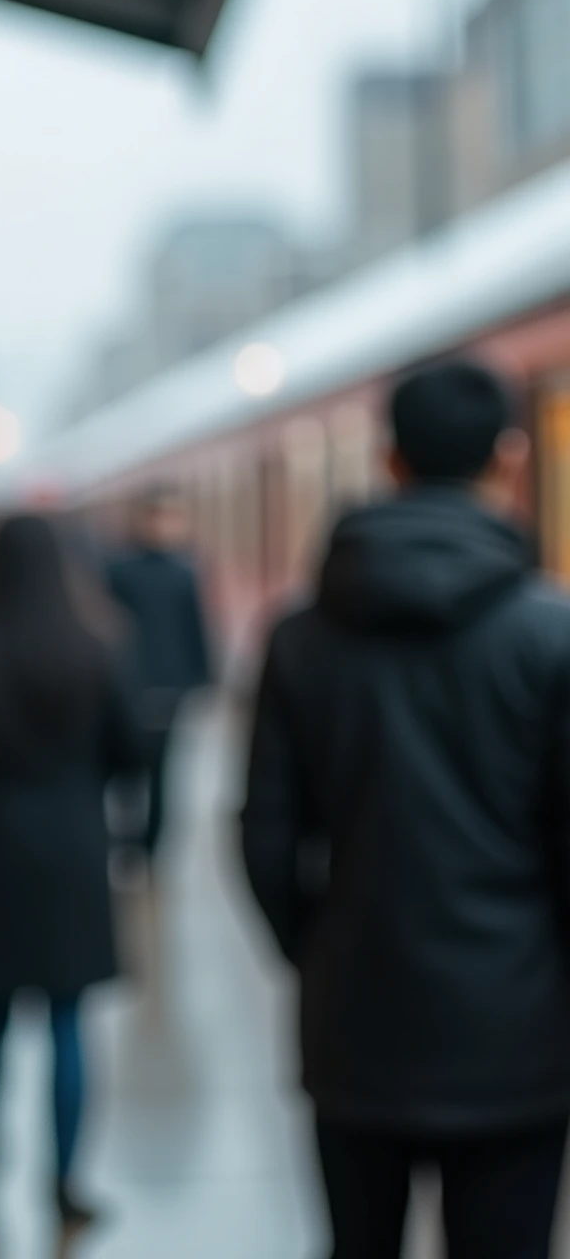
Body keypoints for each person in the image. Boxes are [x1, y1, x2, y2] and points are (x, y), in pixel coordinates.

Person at [242, 360, 570, 1259]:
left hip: (356, 1021)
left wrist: (320, 947)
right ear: (509, 460)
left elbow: (265, 835)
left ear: (387, 461)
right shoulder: (552, 635)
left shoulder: (302, 637)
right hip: (521, 1033)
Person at [0, 515, 146, 1231]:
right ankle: (67, 1182)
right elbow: (133, 751)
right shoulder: (100, 643)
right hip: (75, 847)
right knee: (69, 1019)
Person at [104, 485, 212, 861]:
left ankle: (150, 845)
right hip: (130, 686)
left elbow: (196, 628)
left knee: (162, 773)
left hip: (170, 688)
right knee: (128, 768)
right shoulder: (119, 570)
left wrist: (203, 677)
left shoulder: (185, 573)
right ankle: (128, 839)